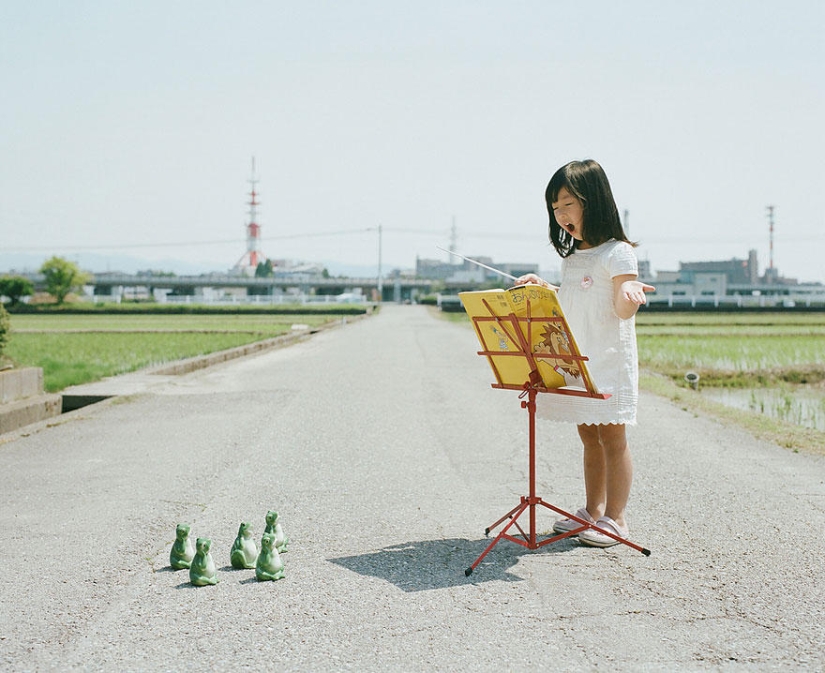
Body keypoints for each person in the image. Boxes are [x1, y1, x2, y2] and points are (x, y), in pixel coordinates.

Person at [516, 159, 655, 547]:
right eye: (555, 208)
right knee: (588, 438)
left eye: (567, 204)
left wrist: (631, 296)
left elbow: (622, 308)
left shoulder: (619, 253)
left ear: (591, 201)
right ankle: (592, 512)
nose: (561, 215)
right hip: (578, 359)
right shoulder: (573, 257)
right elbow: (573, 302)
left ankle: (617, 519)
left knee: (613, 439)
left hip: (608, 360)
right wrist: (545, 288)